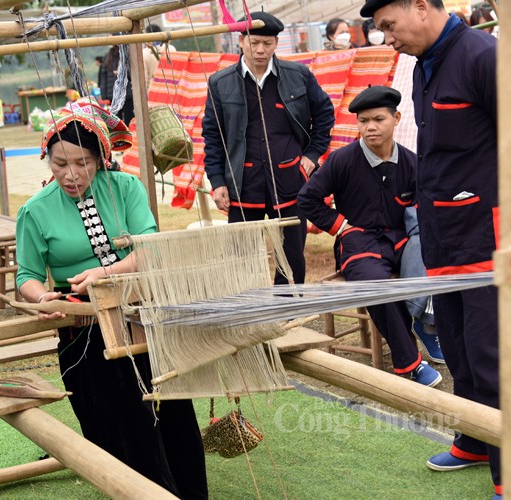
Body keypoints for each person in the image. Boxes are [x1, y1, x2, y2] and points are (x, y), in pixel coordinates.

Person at [15, 98, 208, 499]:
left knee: (173, 421)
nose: (71, 174)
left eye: (82, 162)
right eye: (59, 164)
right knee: (121, 432)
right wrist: (44, 297)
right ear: (46, 160)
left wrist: (106, 273)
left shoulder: (125, 188)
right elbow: (28, 276)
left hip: (143, 322)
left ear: (101, 157)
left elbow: (150, 248)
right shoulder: (35, 211)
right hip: (84, 334)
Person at [364, 0, 500, 497]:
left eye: (388, 25)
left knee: (491, 355)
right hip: (442, 235)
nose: (387, 38)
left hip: (487, 236)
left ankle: (506, 471)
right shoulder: (423, 64)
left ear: (421, 6)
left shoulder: (483, 57)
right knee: (458, 348)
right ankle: (475, 438)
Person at [298, 85, 442, 386]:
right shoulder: (342, 160)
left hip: (402, 241)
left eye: (378, 119)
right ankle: (410, 365)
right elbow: (307, 199)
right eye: (363, 121)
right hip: (358, 242)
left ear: (397, 118)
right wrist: (339, 225)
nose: (371, 127)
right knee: (375, 286)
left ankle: (428, 326)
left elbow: (425, 206)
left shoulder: (412, 162)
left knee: (441, 255)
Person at [202, 11, 335, 286]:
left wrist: (311, 155)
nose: (260, 50)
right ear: (241, 41)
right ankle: (250, 313)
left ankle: (287, 312)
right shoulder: (220, 82)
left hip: (290, 178)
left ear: (276, 43)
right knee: (240, 255)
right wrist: (217, 181)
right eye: (254, 42)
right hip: (242, 181)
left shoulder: (298, 75)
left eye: (267, 43)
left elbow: (324, 114)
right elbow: (212, 136)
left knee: (292, 256)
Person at [103, 45, 135, 125]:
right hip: (114, 94)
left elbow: (133, 72)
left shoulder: (126, 55)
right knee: (116, 119)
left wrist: (122, 73)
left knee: (128, 118)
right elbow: (104, 77)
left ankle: (128, 135)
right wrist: (105, 95)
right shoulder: (108, 56)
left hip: (126, 93)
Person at [143, 24, 176, 88]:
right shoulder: (172, 49)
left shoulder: (144, 53)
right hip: (171, 88)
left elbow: (145, 78)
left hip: (153, 89)